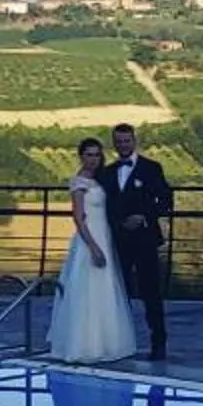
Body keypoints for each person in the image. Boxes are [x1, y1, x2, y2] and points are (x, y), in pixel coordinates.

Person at [50, 138, 137, 365]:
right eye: (89, 155)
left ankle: (108, 341)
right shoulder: (79, 183)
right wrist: (94, 247)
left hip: (105, 236)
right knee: (87, 292)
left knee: (106, 290)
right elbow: (78, 218)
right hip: (91, 241)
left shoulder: (99, 180)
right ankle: (86, 343)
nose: (93, 159)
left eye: (97, 155)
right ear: (81, 156)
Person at [103, 123, 175, 360]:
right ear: (114, 144)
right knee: (117, 292)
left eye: (127, 141)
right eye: (119, 141)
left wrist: (143, 216)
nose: (123, 145)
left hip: (145, 239)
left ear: (134, 141)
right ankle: (117, 342)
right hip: (117, 241)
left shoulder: (152, 168)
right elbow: (104, 206)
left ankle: (159, 343)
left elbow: (165, 201)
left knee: (151, 292)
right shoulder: (107, 172)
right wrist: (118, 223)